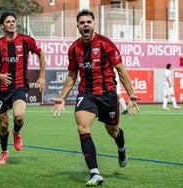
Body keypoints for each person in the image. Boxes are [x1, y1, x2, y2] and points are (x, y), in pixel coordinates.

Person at [50, 9, 140, 186]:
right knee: (83, 128)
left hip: (107, 94)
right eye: (82, 22)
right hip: (87, 94)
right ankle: (95, 173)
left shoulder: (106, 44)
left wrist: (131, 95)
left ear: (93, 24)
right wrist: (62, 97)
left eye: (88, 22)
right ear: (78, 26)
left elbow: (121, 71)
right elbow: (71, 75)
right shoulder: (74, 49)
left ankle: (121, 148)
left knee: (113, 131)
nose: (85, 25)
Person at [0, 11, 46, 165]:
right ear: (2, 26)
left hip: (20, 86)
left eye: (13, 21)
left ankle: (17, 132)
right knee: (3, 125)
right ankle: (4, 152)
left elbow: (41, 54)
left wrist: (42, 76)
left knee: (19, 116)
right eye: (8, 22)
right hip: (2, 89)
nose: (12, 23)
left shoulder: (26, 41)